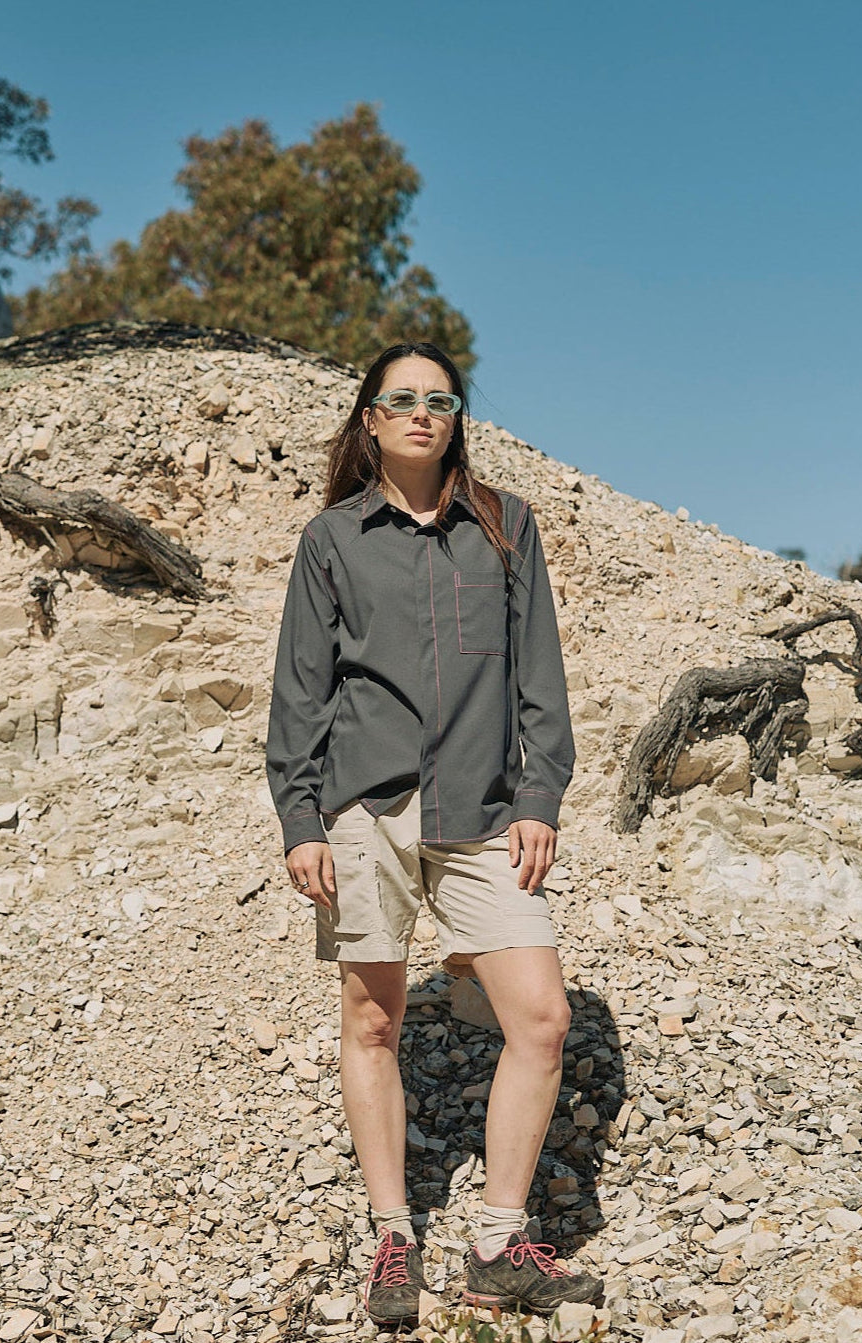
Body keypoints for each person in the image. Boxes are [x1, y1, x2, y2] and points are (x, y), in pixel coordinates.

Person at [266, 341, 602, 1326]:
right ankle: (392, 1236)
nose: (421, 412)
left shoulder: (506, 524)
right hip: (362, 810)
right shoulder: (331, 540)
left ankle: (497, 1242)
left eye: (439, 400)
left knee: (539, 1018)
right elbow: (301, 691)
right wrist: (300, 817)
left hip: (484, 809)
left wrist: (539, 796)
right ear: (370, 419)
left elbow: (539, 678)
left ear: (456, 419)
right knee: (373, 1021)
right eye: (401, 399)